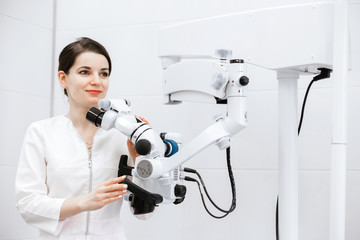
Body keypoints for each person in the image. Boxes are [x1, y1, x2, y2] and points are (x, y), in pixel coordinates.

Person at [15, 37, 139, 239]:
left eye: (104, 74)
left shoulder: (124, 135)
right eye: (85, 72)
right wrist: (85, 202)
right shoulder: (41, 132)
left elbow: (145, 212)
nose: (97, 81)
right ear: (63, 78)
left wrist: (142, 162)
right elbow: (27, 204)